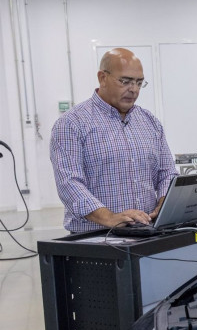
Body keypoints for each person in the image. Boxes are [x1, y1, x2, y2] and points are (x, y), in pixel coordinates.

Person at [50, 48, 178, 233]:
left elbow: (167, 173)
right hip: (96, 239)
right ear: (102, 78)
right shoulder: (72, 124)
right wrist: (109, 217)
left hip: (147, 233)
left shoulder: (150, 122)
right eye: (125, 81)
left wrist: (164, 203)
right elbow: (69, 183)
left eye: (139, 83)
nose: (133, 89)